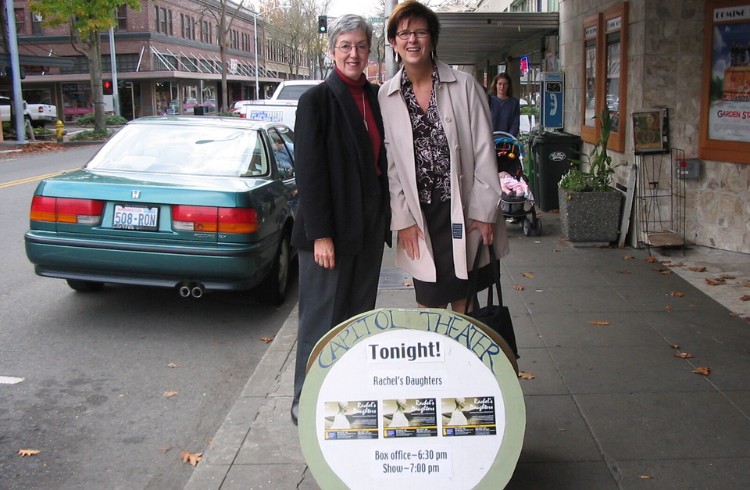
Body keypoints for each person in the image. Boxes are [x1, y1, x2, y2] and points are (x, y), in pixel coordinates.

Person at [290, 14, 391, 426]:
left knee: (356, 322)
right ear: (332, 51)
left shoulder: (377, 97)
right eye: (345, 45)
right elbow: (309, 173)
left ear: (370, 51)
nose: (354, 53)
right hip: (328, 237)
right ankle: (306, 403)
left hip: (367, 232)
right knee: (321, 322)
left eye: (361, 46)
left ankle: (346, 399)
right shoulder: (316, 101)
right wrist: (321, 235)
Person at [378, 0, 508, 313]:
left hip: (463, 209)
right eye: (404, 33)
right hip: (422, 217)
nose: (412, 39)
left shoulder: (463, 86)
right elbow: (392, 165)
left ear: (433, 39)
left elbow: (483, 151)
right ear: (394, 42)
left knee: (465, 304)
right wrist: (403, 221)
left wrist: (483, 212)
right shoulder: (387, 94)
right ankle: (437, 361)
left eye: (420, 32)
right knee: (429, 307)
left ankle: (466, 360)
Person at [489, 73, 521, 137]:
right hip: (489, 139)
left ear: (508, 86)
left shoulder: (514, 103)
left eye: (505, 84)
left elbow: (515, 124)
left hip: (507, 141)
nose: (502, 87)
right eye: (499, 84)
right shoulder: (489, 100)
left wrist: (509, 138)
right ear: (495, 85)